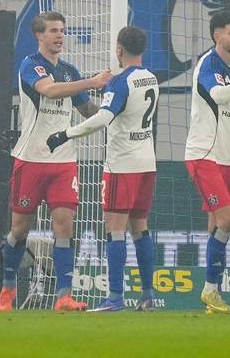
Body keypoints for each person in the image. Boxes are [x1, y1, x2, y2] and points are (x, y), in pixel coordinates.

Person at [0, 11, 109, 312]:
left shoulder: (70, 71)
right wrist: (92, 81)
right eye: (53, 31)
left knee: (64, 226)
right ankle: (7, 290)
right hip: (30, 159)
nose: (60, 36)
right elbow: (48, 89)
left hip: (63, 162)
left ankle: (63, 296)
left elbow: (88, 112)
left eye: (62, 30)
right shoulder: (30, 65)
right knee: (20, 229)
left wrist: (115, 108)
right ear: (39, 35)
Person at [48, 26, 160, 312]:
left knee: (115, 230)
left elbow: (103, 118)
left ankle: (115, 297)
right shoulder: (151, 78)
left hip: (122, 164)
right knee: (141, 228)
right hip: (147, 162)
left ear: (119, 50)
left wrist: (66, 134)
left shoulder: (121, 82)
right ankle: (148, 296)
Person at [186, 10, 230, 312]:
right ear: (217, 35)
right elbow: (216, 94)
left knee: (216, 223)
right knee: (229, 220)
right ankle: (210, 290)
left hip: (228, 156)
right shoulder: (208, 63)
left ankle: (211, 295)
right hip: (204, 154)